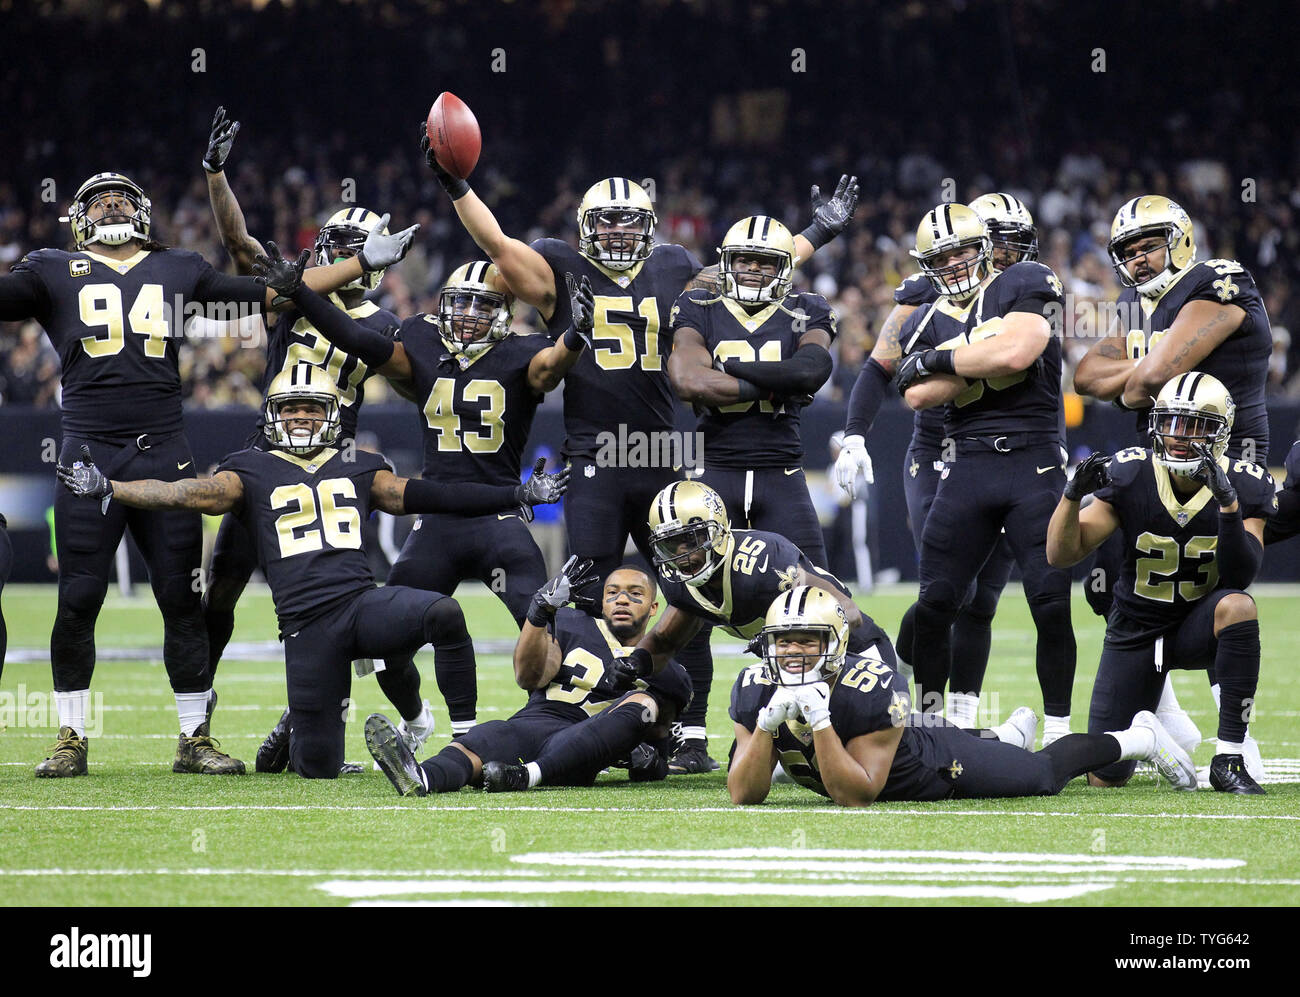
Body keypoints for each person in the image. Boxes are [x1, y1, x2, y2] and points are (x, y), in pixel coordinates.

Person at [421, 127, 858, 770]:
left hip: (659, 450)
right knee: (592, 593)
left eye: (631, 222)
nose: (621, 233)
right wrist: (456, 183)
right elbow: (495, 242)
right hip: (595, 453)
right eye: (608, 222)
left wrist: (815, 233)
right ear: (585, 226)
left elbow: (752, 265)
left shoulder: (679, 267)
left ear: (649, 225)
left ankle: (687, 736)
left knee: (690, 592)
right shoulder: (559, 266)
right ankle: (589, 718)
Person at [0, 169, 413, 777]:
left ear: (142, 212)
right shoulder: (49, 268)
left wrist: (357, 266)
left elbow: (269, 293)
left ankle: (193, 738)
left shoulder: (180, 268)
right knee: (78, 598)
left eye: (122, 198)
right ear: (80, 218)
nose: (112, 206)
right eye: (99, 199)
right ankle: (70, 736)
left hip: (164, 449)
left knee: (181, 599)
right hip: (86, 450)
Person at [57, 353, 568, 778]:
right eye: (291, 408)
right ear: (273, 413)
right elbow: (184, 492)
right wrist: (113, 488)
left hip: (363, 606)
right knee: (317, 767)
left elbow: (433, 493)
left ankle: (462, 736)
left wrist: (514, 492)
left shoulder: (362, 462)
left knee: (443, 614)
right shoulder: (248, 468)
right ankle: (294, 734)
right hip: (305, 629)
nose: (301, 417)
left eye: (310, 408)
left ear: (331, 414)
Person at [269, 254, 592, 738]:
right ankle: (418, 722)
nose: (465, 314)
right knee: (383, 645)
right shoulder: (421, 339)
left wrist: (573, 336)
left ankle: (539, 726)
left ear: (503, 312)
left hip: (498, 518)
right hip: (437, 521)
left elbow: (549, 368)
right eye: (458, 303)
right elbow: (359, 340)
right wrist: (303, 294)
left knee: (546, 622)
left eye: (479, 306)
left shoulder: (522, 350)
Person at [200, 107, 411, 714]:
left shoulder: (387, 324)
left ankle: (339, 717)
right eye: (340, 247)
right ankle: (199, 707)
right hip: (269, 456)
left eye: (358, 249)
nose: (343, 256)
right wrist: (217, 173)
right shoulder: (290, 297)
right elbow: (239, 244)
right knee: (223, 586)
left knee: (346, 599)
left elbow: (420, 383)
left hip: (336, 468)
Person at [1071, 194, 1275, 762]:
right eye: (1128, 252)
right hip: (1158, 464)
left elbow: (1144, 384)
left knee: (1219, 586)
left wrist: (1142, 364)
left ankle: (1237, 738)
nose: (1138, 260)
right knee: (1111, 580)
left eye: (1149, 245)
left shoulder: (1218, 279)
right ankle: (1162, 713)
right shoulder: (1138, 308)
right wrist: (1147, 360)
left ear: (1181, 239)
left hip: (1225, 460)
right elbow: (1086, 375)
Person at [834, 194, 1037, 727]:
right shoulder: (929, 290)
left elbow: (1040, 374)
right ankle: (902, 672)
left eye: (1016, 240)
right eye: (998, 238)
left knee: (984, 596)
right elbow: (881, 366)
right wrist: (856, 434)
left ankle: (963, 719)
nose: (1008, 252)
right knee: (949, 585)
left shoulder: (1029, 290)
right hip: (939, 446)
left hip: (1004, 449)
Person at [727, 586, 1198, 807]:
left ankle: (1138, 737)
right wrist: (767, 728)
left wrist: (821, 721)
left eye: (807, 640)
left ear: (835, 643)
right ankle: (1007, 734)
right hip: (899, 740)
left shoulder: (872, 686)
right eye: (782, 641)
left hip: (931, 765)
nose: (792, 653)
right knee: (981, 740)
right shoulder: (754, 688)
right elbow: (745, 793)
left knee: (1041, 774)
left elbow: (856, 795)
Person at [895, 203, 1076, 744]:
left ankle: (1062, 731)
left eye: (959, 251)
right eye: (939, 257)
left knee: (1048, 600)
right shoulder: (925, 315)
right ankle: (928, 727)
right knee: (936, 602)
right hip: (968, 463)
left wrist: (941, 359)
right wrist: (976, 355)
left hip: (1034, 461)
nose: (952, 264)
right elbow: (918, 395)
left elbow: (1019, 352)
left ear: (984, 247)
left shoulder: (1024, 278)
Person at [1046, 372, 1277, 794]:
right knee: (1104, 778)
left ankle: (1230, 756)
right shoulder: (1133, 473)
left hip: (1197, 625)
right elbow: (1061, 554)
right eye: (1170, 421)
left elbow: (1242, 574)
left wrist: (1228, 506)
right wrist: (1070, 497)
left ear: (1220, 433)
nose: (1178, 435)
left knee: (1239, 606)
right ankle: (1152, 736)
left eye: (1194, 425)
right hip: (1135, 630)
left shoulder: (1245, 483)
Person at [364, 562, 694, 796]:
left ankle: (526, 776)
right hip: (535, 722)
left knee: (642, 703)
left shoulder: (669, 670)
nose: (622, 600)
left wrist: (648, 760)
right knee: (485, 737)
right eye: (612, 593)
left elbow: (656, 737)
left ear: (654, 609)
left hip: (585, 745)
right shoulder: (571, 624)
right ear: (602, 601)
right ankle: (422, 776)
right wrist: (538, 616)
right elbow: (527, 676)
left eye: (634, 594)